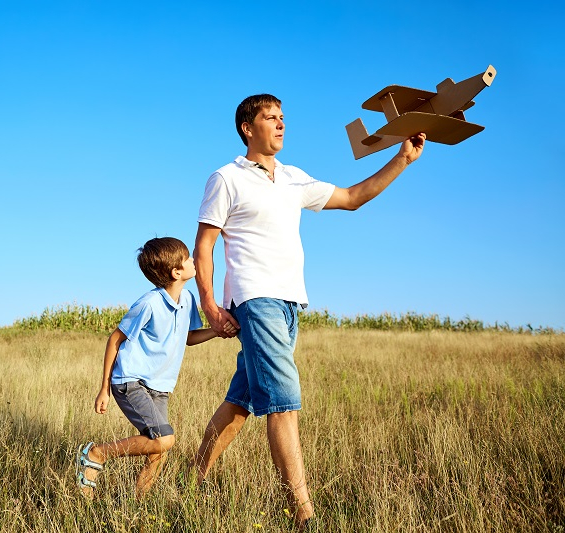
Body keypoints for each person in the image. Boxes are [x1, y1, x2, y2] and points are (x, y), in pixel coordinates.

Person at [190, 94, 425, 527]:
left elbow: (353, 197)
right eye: (270, 118)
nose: (281, 124)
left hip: (290, 301)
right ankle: (303, 511)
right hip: (254, 298)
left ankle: (194, 478)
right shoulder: (226, 178)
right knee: (284, 401)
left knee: (242, 400)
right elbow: (203, 246)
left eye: (283, 117)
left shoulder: (295, 178)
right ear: (247, 127)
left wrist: (403, 159)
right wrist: (209, 304)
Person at [76, 237, 229, 499]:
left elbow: (188, 337)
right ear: (176, 272)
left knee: (158, 451)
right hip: (131, 381)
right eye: (189, 259)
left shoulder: (188, 299)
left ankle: (138, 504)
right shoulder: (149, 303)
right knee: (164, 439)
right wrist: (104, 389)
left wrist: (216, 332)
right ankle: (96, 453)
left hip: (160, 387)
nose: (194, 260)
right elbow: (115, 339)